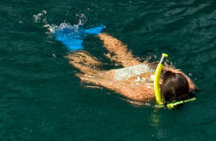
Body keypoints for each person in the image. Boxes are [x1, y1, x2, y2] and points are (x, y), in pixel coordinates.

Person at [51, 23, 196, 108]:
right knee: (88, 69)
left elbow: (172, 72)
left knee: (125, 57)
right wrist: (92, 79)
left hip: (147, 71)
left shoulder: (188, 83)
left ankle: (99, 33)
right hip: (128, 79)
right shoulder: (140, 95)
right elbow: (114, 85)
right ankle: (73, 44)